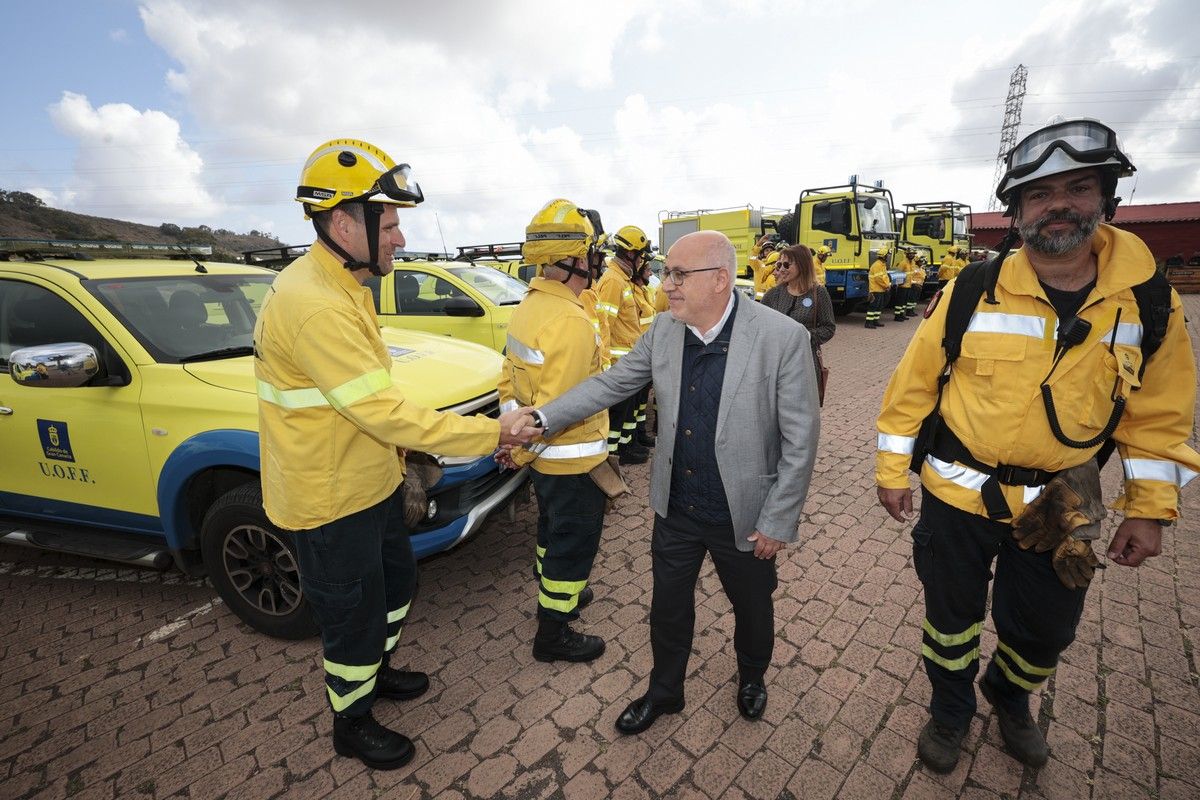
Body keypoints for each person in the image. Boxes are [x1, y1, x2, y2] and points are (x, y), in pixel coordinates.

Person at [874, 117, 1200, 775]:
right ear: (1017, 211)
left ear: (1107, 200)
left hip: (1065, 497)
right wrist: (891, 469)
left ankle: (1009, 695)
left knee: (1048, 626)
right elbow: (912, 385)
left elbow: (1159, 418)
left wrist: (1148, 507)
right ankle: (950, 709)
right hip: (956, 491)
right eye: (1037, 194)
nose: (1058, 205)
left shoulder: (1149, 304)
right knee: (950, 620)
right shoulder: (973, 289)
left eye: (1077, 188)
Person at [255, 138, 538, 770]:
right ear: (343, 222)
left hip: (369, 480)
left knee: (397, 581)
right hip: (329, 499)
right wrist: (496, 433)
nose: (402, 238)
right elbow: (380, 411)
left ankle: (374, 673)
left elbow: (370, 397)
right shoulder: (315, 303)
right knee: (351, 613)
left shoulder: (346, 283)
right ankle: (351, 720)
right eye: (391, 221)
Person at [518, 230, 819, 734]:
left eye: (679, 274)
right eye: (666, 272)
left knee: (752, 607)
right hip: (677, 509)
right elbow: (610, 384)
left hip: (744, 516)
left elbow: (801, 438)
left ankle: (752, 676)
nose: (667, 284)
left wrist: (777, 520)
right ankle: (665, 691)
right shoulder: (663, 331)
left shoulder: (781, 338)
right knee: (667, 609)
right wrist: (542, 418)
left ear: (720, 280)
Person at [499, 199, 611, 663]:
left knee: (550, 533)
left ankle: (557, 596)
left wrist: (514, 444)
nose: (595, 263)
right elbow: (561, 408)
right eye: (590, 255)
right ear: (573, 261)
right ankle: (554, 633)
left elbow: (509, 383)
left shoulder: (531, 306)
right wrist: (519, 451)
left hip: (544, 461)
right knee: (572, 544)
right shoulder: (568, 319)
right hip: (571, 460)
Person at [597, 225, 652, 465]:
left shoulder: (622, 279)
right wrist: (607, 364)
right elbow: (604, 325)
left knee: (627, 412)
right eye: (640, 255)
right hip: (619, 364)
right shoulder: (613, 281)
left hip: (629, 360)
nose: (642, 260)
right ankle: (614, 456)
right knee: (619, 414)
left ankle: (626, 447)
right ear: (630, 254)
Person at [761, 243, 836, 381]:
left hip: (805, 363)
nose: (781, 269)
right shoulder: (773, 294)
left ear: (802, 265)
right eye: (779, 265)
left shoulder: (819, 293)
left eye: (786, 265)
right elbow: (759, 326)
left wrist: (805, 335)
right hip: (777, 364)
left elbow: (829, 328)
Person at [865, 245, 891, 329]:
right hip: (875, 290)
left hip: (880, 289)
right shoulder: (877, 265)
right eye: (887, 255)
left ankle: (875, 321)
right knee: (873, 306)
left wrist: (887, 285)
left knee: (879, 306)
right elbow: (879, 279)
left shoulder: (882, 265)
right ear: (883, 256)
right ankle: (868, 323)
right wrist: (886, 285)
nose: (888, 256)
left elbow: (884, 277)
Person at [894, 247, 917, 321]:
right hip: (902, 286)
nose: (912, 255)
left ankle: (902, 314)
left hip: (909, 285)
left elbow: (911, 273)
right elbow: (898, 274)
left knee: (904, 302)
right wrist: (899, 284)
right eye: (910, 254)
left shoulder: (913, 262)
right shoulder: (903, 263)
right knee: (900, 301)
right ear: (907, 254)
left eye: (913, 254)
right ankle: (897, 316)